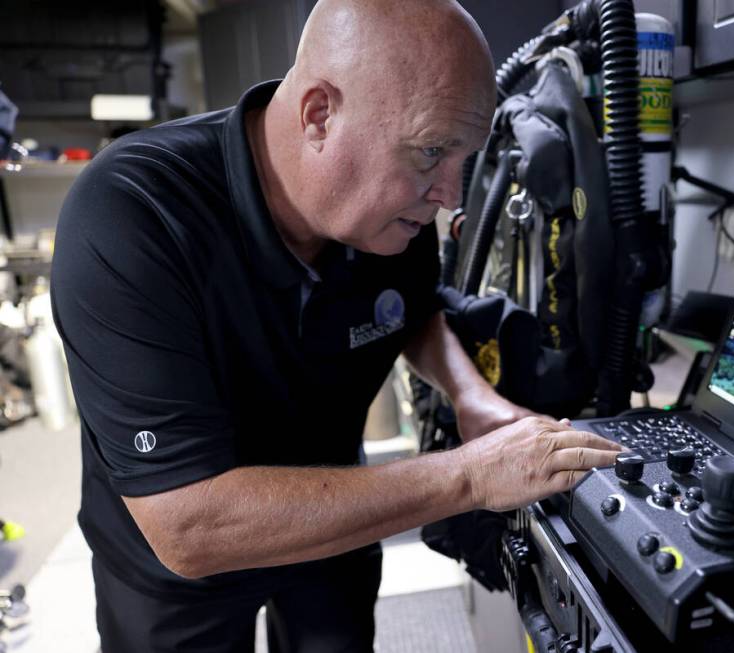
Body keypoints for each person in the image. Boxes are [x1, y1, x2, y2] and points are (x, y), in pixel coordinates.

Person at [50, 1, 622, 651]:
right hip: (179, 560)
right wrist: (469, 474)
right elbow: (190, 526)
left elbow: (416, 306)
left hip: (336, 515)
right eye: (431, 151)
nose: (450, 196)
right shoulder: (132, 215)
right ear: (320, 114)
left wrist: (471, 395)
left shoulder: (391, 214)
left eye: (461, 158)